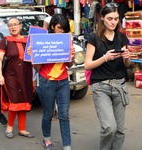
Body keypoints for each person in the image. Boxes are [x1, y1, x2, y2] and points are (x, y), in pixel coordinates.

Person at [84, 3, 131, 150]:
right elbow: (87, 65)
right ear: (102, 18)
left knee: (119, 130)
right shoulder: (94, 38)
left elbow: (127, 64)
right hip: (101, 87)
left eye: (116, 19)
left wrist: (127, 57)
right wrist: (105, 58)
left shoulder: (121, 37)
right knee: (109, 127)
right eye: (110, 18)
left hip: (120, 86)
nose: (113, 22)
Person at [33, 14, 75, 150]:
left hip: (63, 81)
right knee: (48, 113)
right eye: (59, 28)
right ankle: (47, 139)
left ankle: (67, 145)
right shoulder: (42, 41)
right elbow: (37, 68)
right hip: (46, 82)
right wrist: (35, 56)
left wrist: (72, 56)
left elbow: (69, 65)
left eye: (64, 29)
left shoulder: (67, 40)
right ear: (52, 27)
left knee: (64, 114)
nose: (62, 31)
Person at [0, 17, 34, 139]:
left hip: (26, 75)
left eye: (15, 24)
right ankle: (10, 127)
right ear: (8, 27)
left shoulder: (28, 41)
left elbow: (36, 58)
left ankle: (22, 129)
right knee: (14, 101)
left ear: (20, 26)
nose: (13, 27)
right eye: (10, 25)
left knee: (23, 99)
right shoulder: (5, 40)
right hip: (10, 76)